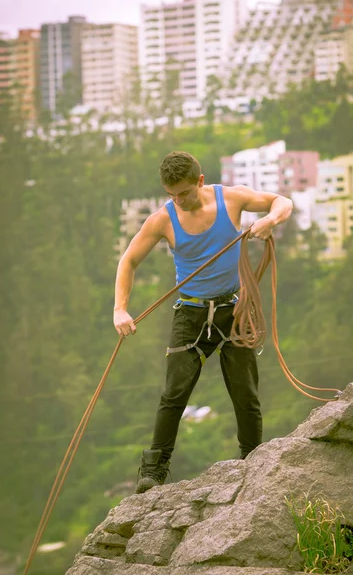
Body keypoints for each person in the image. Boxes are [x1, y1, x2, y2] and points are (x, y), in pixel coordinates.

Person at [113, 151, 293, 494]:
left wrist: (270, 220)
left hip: (234, 310)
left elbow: (282, 201)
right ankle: (153, 471)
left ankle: (251, 461)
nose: (178, 200)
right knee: (174, 394)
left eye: (183, 192)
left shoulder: (232, 199)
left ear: (199, 180)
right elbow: (129, 260)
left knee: (246, 393)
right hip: (191, 313)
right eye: (171, 194)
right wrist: (120, 309)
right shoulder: (162, 220)